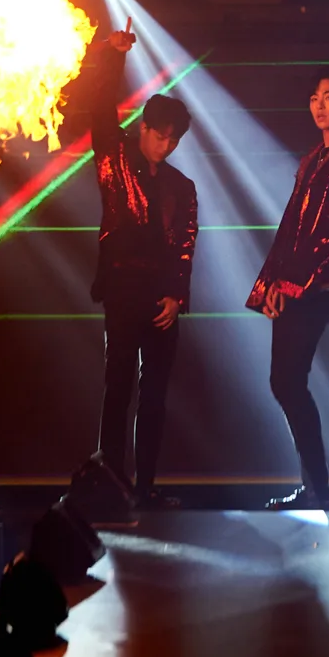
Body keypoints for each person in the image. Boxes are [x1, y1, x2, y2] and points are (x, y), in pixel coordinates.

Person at [248, 68, 329, 511]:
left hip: (320, 284)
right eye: (315, 97)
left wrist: (290, 284)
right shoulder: (314, 158)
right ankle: (315, 486)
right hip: (294, 284)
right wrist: (270, 283)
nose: (319, 105)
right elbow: (291, 227)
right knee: (285, 381)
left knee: (287, 380)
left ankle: (319, 487)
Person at [87, 26, 197, 510]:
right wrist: (113, 57)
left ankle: (145, 486)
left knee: (154, 394)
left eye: (174, 140)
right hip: (122, 288)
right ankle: (110, 483)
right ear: (144, 128)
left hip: (161, 297)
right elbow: (100, 108)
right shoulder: (115, 158)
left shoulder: (182, 186)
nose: (166, 146)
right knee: (118, 388)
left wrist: (177, 295)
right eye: (160, 136)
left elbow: (187, 244)